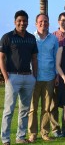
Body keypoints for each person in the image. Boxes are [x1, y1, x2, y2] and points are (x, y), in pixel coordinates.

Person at [0, 10, 38, 145]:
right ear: (15, 21)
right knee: (9, 110)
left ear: (28, 22)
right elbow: (1, 58)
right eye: (19, 21)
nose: (22, 23)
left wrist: (34, 76)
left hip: (28, 78)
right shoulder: (7, 37)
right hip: (12, 77)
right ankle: (5, 139)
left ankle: (20, 137)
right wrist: (6, 77)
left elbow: (34, 58)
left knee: (25, 110)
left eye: (24, 21)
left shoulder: (31, 38)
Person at [28, 14, 59, 142]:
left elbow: (57, 57)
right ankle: (32, 133)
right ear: (36, 23)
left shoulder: (54, 39)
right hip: (33, 77)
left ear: (49, 23)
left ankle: (45, 133)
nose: (43, 23)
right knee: (32, 108)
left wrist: (57, 75)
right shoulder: (31, 38)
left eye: (45, 21)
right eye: (40, 21)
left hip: (49, 77)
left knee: (46, 108)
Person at [51, 12, 65, 137]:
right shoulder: (53, 37)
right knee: (54, 104)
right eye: (63, 20)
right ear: (59, 21)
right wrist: (56, 76)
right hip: (56, 75)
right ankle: (55, 129)